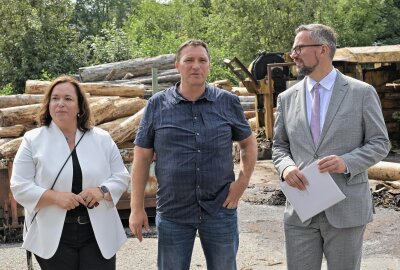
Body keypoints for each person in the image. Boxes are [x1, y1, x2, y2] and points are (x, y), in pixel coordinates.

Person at [129, 39, 257, 270]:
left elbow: (248, 144)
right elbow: (141, 158)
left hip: (219, 208)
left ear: (209, 66)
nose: (195, 66)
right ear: (177, 65)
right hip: (173, 211)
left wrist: (242, 182)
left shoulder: (228, 102)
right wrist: (137, 208)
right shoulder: (157, 105)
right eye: (189, 60)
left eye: (202, 60)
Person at [272, 24, 391, 270]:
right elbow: (279, 146)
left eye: (299, 48)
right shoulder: (287, 98)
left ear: (322, 49)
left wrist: (347, 162)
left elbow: (380, 143)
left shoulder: (361, 93)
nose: (293, 54)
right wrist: (286, 168)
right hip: (301, 209)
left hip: (346, 208)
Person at [10, 75, 130, 269]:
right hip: (53, 234)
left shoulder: (102, 138)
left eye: (68, 99)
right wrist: (55, 197)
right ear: (48, 105)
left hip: (97, 233)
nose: (60, 104)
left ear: (80, 107)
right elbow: (19, 186)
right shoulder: (32, 140)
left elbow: (121, 176)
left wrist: (101, 191)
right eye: (55, 98)